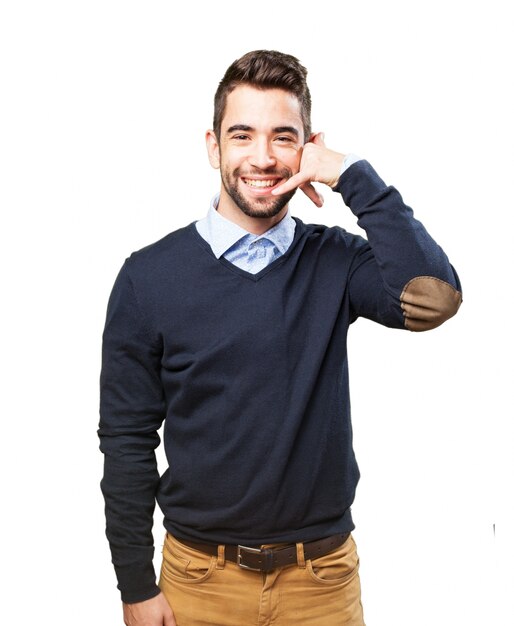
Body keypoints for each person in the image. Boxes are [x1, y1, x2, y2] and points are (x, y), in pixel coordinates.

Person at [98, 50, 462, 626]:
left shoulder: (335, 261)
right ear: (214, 147)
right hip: (198, 583)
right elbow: (126, 441)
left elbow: (436, 298)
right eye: (242, 135)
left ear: (307, 148)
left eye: (283, 137)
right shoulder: (148, 278)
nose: (263, 157)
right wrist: (135, 586)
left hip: (321, 584)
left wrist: (350, 175)